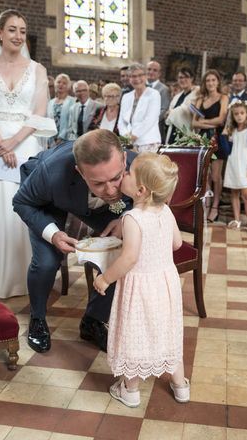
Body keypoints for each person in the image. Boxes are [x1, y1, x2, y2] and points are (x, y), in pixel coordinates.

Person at [12, 129, 137, 353]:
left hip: (95, 207)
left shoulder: (137, 165)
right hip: (47, 201)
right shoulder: (51, 173)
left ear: (124, 159)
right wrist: (54, 234)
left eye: (116, 178)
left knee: (122, 250)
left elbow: (156, 195)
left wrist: (125, 217)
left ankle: (93, 321)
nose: (110, 190)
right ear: (80, 172)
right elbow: (22, 202)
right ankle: (37, 319)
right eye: (99, 183)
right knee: (47, 262)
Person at [0, 10, 57, 298]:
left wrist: (14, 141)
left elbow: (39, 112)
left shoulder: (38, 70)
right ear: (0, 33)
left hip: (26, 144)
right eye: (13, 29)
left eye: (23, 30)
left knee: (24, 206)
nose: (18, 36)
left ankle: (24, 276)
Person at [93, 153, 189, 407]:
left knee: (135, 334)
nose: (123, 175)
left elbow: (129, 258)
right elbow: (177, 243)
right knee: (168, 332)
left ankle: (130, 390)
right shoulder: (166, 211)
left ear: (140, 190)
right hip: (165, 284)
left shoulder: (132, 218)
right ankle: (180, 386)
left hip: (140, 288)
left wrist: (105, 278)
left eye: (128, 173)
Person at [191, 69, 228, 222]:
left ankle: (215, 205)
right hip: (202, 139)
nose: (211, 83)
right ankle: (205, 204)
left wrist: (203, 122)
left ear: (218, 82)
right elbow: (193, 123)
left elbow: (221, 120)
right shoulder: (200, 100)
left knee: (216, 175)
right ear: (205, 83)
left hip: (218, 138)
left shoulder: (223, 98)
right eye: (208, 80)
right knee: (204, 175)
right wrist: (207, 124)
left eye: (213, 80)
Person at [223, 100, 247, 234]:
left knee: (246, 195)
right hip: (233, 164)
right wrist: (224, 135)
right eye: (236, 114)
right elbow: (227, 151)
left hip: (245, 165)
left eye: (242, 113)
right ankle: (237, 219)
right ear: (232, 116)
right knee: (234, 193)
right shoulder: (232, 130)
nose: (239, 116)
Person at [118, 63, 162, 152]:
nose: (137, 79)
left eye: (140, 75)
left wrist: (134, 136)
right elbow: (121, 121)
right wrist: (126, 138)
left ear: (146, 76)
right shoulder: (126, 97)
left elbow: (150, 119)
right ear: (129, 79)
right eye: (133, 76)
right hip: (128, 143)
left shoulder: (154, 94)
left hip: (148, 142)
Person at [165, 67, 199, 144]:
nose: (183, 80)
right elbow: (169, 114)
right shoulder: (176, 97)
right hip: (173, 132)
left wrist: (172, 112)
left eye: (186, 77)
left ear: (192, 78)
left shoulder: (197, 94)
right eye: (180, 77)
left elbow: (197, 112)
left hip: (187, 133)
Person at [46, 73, 76, 146]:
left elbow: (72, 122)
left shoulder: (73, 101)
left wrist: (61, 137)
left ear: (68, 86)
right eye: (58, 82)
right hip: (50, 139)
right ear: (55, 84)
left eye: (64, 83)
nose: (61, 85)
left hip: (66, 139)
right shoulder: (50, 102)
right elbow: (47, 120)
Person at [147, 60, 171, 138]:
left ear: (159, 74)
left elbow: (164, 109)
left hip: (156, 127)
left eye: (155, 70)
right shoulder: (141, 87)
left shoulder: (164, 89)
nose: (151, 72)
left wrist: (150, 121)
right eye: (149, 69)